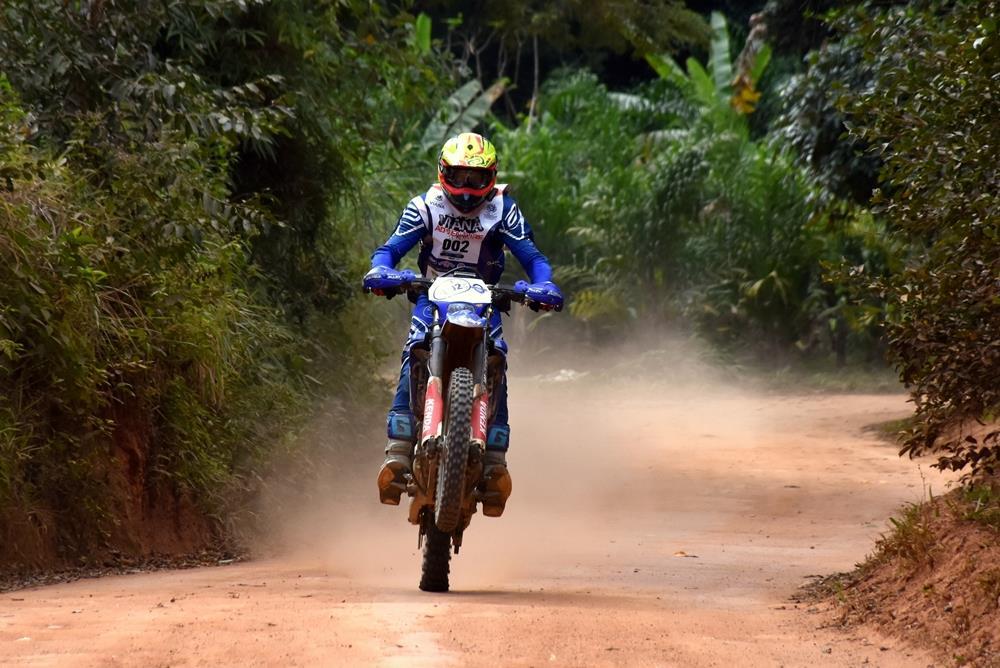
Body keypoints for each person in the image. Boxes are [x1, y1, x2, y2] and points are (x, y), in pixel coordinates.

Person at [363, 132, 562, 517]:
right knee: (413, 352)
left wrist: (543, 283)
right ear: (442, 173)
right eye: (458, 177)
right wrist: (382, 271)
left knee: (497, 360)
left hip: (486, 299)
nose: (467, 191)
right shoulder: (425, 205)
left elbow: (533, 257)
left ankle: (495, 461)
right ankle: (398, 450)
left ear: (491, 176)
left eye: (475, 179)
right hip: (431, 295)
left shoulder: (504, 209)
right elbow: (390, 249)